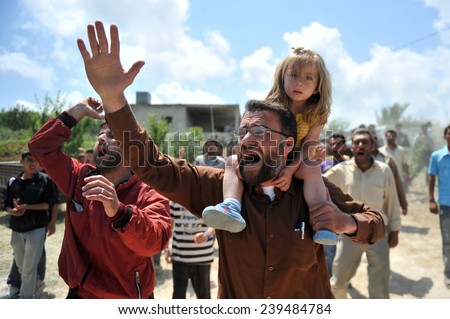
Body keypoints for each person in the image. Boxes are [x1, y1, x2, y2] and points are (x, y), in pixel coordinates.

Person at [75, 20, 385, 298]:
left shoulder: (313, 191)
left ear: (287, 143)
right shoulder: (221, 188)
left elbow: (375, 224)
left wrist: (345, 222)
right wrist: (114, 100)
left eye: (260, 130)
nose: (248, 138)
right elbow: (153, 167)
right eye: (243, 131)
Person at [27, 97, 172, 299]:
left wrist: (119, 212)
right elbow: (40, 146)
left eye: (111, 134)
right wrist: (75, 112)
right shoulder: (79, 178)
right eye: (100, 134)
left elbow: (155, 242)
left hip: (127, 298)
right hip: (80, 295)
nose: (101, 138)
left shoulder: (149, 191)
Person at [202, 46, 337, 245]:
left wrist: (290, 170)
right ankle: (231, 206)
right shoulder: (271, 106)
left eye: (308, 77)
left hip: (295, 161)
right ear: (282, 78)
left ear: (318, 85)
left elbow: (309, 144)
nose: (299, 82)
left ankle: (322, 220)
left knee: (312, 168)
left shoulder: (316, 113)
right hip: (268, 157)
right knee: (231, 162)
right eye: (293, 75)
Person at [324, 129, 401, 298]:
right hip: (349, 234)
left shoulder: (384, 170)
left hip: (378, 233)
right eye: (357, 142)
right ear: (352, 147)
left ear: (372, 146)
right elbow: (319, 183)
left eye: (365, 142)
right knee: (338, 283)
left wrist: (394, 230)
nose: (360, 145)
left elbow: (392, 201)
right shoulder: (341, 170)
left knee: (379, 285)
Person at [2, 150, 58, 298]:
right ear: (22, 162)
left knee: (29, 268)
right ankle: (37, 283)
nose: (33, 164)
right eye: (29, 160)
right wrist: (12, 210)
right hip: (17, 228)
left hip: (37, 229)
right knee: (21, 266)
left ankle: (26, 298)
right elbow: (6, 204)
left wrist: (27, 207)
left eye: (35, 161)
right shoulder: (13, 181)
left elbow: (49, 204)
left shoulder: (45, 181)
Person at [164, 201, 215, 299]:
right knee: (178, 296)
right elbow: (169, 225)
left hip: (203, 257)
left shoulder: (207, 197)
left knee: (204, 296)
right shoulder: (175, 199)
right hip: (179, 257)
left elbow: (217, 222)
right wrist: (166, 249)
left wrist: (207, 234)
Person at [428, 124, 450, 289]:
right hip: (445, 204)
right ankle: (448, 273)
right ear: (445, 136)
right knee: (448, 241)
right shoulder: (437, 156)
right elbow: (432, 179)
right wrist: (431, 199)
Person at [372, 133, 408, 216]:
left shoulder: (387, 159)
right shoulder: (357, 162)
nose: (373, 142)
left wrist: (403, 204)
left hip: (385, 194)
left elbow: (397, 182)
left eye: (375, 140)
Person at [379, 129, 411, 194]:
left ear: (396, 138)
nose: (391, 137)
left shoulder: (401, 150)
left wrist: (408, 176)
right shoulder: (380, 151)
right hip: (385, 180)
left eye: (393, 136)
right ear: (385, 137)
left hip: (398, 180)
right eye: (389, 136)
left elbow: (404, 164)